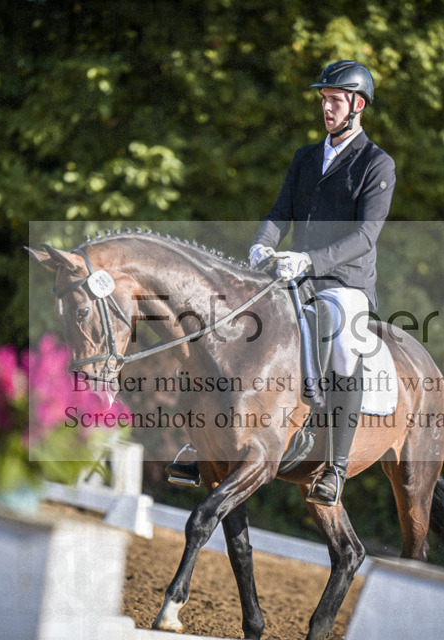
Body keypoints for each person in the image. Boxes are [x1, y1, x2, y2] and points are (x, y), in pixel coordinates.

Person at [166, 60, 396, 506]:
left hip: (342, 281)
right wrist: (261, 245)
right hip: (291, 271)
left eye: (334, 101)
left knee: (345, 342)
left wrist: (308, 260)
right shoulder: (305, 157)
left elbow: (366, 236)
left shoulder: (376, 164)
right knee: (230, 323)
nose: (326, 108)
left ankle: (336, 467)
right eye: (323, 100)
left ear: (357, 105)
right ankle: (206, 442)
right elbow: (278, 214)